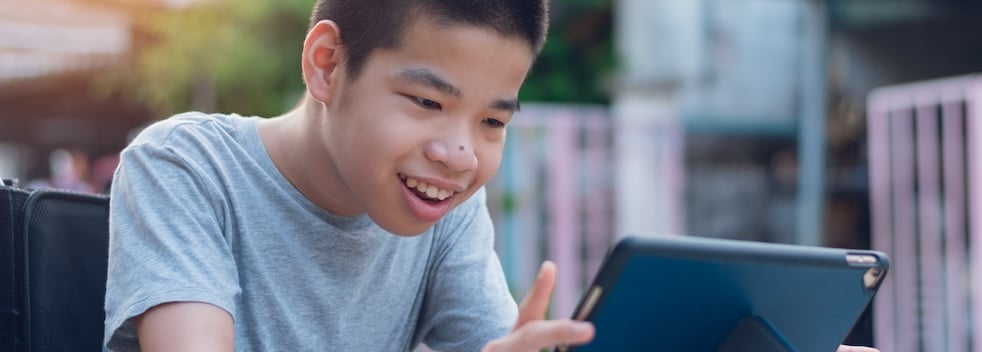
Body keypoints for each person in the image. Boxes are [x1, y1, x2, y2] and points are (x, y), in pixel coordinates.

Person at [103, 1, 880, 351]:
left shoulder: (439, 207)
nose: (460, 153)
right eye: (425, 101)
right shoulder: (183, 167)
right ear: (327, 64)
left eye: (493, 121)